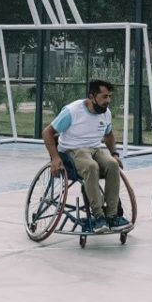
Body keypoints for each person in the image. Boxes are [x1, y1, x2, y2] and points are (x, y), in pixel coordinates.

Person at [41, 79, 128, 234]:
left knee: (113, 165)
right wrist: (54, 158)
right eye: (104, 96)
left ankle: (112, 216)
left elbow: (108, 135)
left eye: (110, 97)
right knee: (91, 166)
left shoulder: (105, 113)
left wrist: (114, 153)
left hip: (95, 149)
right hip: (73, 150)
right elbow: (47, 133)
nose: (108, 101)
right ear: (91, 96)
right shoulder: (72, 111)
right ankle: (99, 217)